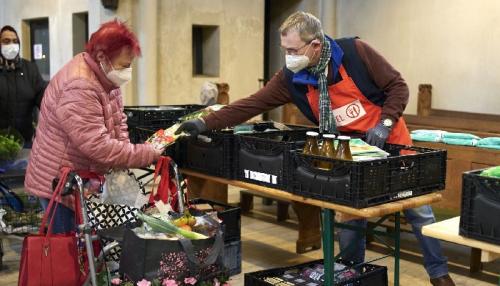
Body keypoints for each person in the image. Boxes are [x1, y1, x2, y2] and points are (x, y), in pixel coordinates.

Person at [176, 11, 455, 286]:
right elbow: (252, 104)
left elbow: (398, 86)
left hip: (389, 140)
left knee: (419, 211)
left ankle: (438, 273)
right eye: (285, 49)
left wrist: (385, 122)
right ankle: (353, 275)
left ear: (316, 45)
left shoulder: (356, 53)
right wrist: (204, 123)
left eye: (294, 49)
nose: (289, 56)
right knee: (349, 219)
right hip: (348, 153)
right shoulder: (292, 78)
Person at [24, 20, 164, 234]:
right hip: (61, 185)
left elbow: (118, 122)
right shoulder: (80, 85)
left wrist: (124, 151)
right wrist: (143, 154)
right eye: (125, 65)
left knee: (85, 252)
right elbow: (97, 146)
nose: (128, 71)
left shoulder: (106, 79)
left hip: (81, 179)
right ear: (102, 58)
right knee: (67, 255)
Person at [0, 25, 47, 147]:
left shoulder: (30, 69)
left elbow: (44, 99)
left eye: (15, 41)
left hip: (25, 141)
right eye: (6, 41)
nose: (11, 44)